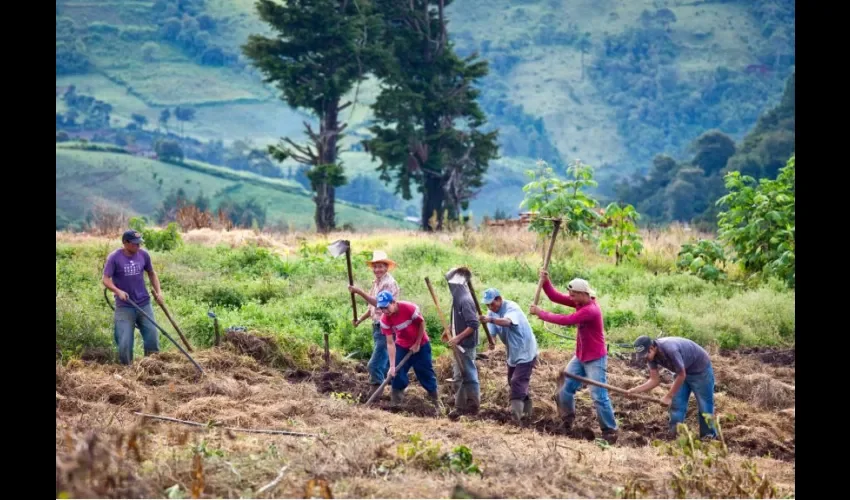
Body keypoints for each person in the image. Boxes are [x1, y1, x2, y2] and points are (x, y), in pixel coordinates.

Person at [529, 270, 617, 442]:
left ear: (584, 294)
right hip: (580, 356)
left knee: (599, 395)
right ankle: (567, 420)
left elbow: (566, 320)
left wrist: (541, 313)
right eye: (571, 295)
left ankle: (610, 431)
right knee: (564, 388)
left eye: (574, 296)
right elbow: (555, 297)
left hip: (595, 358)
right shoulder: (580, 302)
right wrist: (546, 281)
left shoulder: (591, 310)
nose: (572, 299)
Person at [628, 335, 717, 439]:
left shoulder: (670, 349)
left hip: (700, 371)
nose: (645, 358)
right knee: (677, 405)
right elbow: (654, 380)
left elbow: (682, 375)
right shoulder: (650, 356)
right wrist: (635, 391)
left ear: (652, 348)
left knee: (705, 406)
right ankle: (675, 435)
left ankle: (708, 437)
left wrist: (669, 396)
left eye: (645, 355)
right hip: (681, 371)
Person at [102, 229, 164, 365]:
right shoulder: (114, 258)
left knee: (152, 337)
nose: (138, 246)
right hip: (125, 306)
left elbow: (152, 273)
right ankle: (127, 370)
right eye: (135, 244)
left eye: (139, 243)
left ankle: (151, 366)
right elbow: (105, 279)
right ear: (125, 243)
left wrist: (158, 292)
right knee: (124, 341)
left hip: (144, 303)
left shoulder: (144, 255)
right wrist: (118, 291)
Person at [479, 288, 538, 424]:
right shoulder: (491, 313)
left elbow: (507, 322)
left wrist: (490, 319)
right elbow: (492, 334)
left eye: (492, 304)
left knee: (517, 381)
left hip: (526, 349)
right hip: (512, 350)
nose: (490, 307)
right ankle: (527, 413)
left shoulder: (512, 308)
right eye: (487, 305)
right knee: (512, 380)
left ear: (499, 299)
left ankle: (516, 419)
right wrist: (491, 342)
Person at [377, 291, 440, 410]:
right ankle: (396, 404)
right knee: (396, 373)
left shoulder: (409, 308)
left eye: (386, 307)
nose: (385, 311)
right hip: (402, 345)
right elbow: (390, 343)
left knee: (425, 372)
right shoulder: (385, 320)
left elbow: (421, 324)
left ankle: (436, 403)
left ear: (393, 302)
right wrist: (391, 366)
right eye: (382, 308)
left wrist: (417, 344)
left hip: (421, 344)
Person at [348, 250, 401, 388]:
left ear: (386, 267)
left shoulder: (388, 283)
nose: (377, 269)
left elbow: (379, 303)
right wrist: (360, 319)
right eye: (375, 266)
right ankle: (390, 390)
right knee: (385, 363)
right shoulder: (377, 282)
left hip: (386, 326)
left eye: (380, 266)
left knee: (374, 365)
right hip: (377, 325)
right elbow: (373, 308)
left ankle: (376, 394)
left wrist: (359, 292)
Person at [444, 268, 481, 415]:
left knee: (467, 375)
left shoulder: (465, 300)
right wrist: (449, 329)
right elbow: (457, 318)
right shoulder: (457, 298)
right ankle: (462, 406)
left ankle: (470, 407)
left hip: (465, 345)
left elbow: (473, 324)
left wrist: (458, 338)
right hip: (459, 343)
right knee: (459, 376)